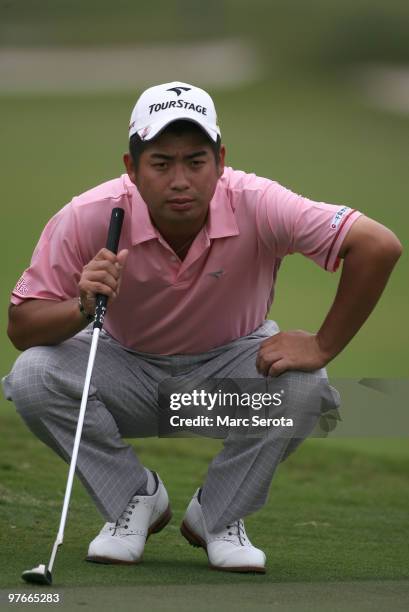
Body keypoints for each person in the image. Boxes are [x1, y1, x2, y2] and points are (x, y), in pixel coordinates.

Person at [3, 82, 402, 574]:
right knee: (32, 376)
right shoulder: (89, 214)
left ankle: (218, 515)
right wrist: (83, 306)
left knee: (305, 386)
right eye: (161, 163)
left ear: (220, 161)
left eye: (196, 162)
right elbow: (22, 326)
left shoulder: (257, 201)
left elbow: (378, 245)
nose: (180, 180)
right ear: (131, 167)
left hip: (227, 375)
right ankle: (133, 499)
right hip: (124, 370)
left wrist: (323, 345)